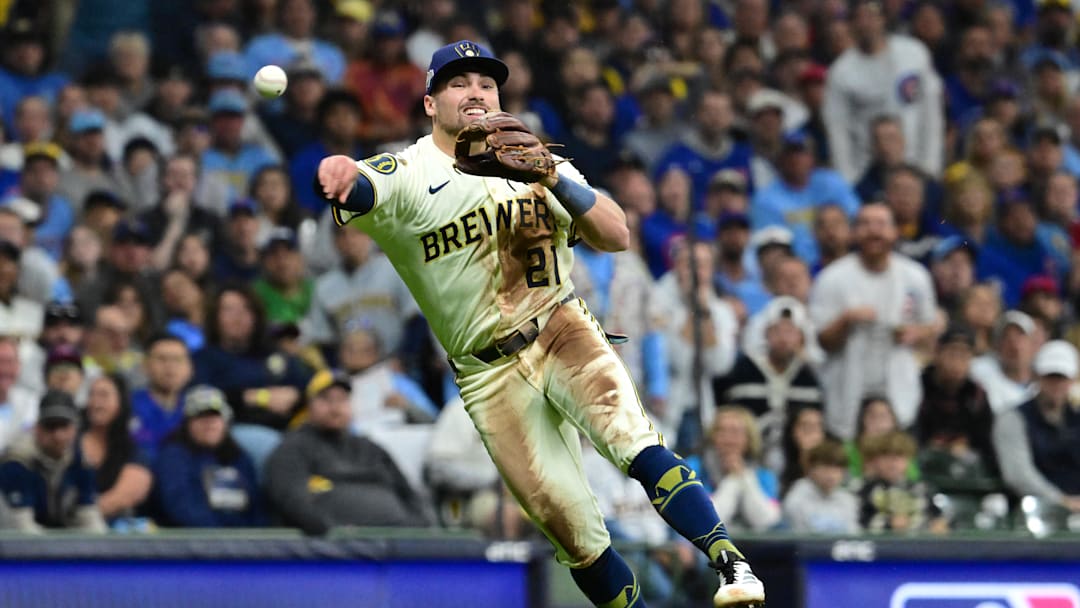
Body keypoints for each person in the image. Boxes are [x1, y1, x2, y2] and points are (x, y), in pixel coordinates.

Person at [315, 40, 765, 607]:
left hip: (560, 324)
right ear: (431, 103)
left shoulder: (529, 155)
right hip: (487, 374)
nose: (475, 91)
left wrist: (553, 175)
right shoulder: (409, 171)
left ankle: (733, 565)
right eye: (458, 83)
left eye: (486, 82)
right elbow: (360, 185)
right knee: (576, 535)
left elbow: (616, 233)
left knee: (634, 441)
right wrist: (338, 171)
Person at [810, 203, 938, 439]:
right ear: (854, 232)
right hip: (846, 389)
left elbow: (931, 325)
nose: (873, 231)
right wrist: (847, 319)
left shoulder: (915, 276)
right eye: (865, 224)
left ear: (894, 232)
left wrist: (916, 333)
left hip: (899, 389)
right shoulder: (831, 278)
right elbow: (822, 342)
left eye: (881, 224)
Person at [264, 370, 433, 535]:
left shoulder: (371, 449)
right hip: (336, 552)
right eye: (326, 399)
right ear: (308, 406)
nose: (335, 407)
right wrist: (337, 536)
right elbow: (293, 502)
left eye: (342, 399)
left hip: (398, 547)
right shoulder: (292, 449)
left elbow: (410, 497)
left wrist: (416, 533)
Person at [151, 385, 265, 527]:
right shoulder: (173, 457)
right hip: (192, 543)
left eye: (215, 417)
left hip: (244, 543)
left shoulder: (239, 457)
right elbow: (181, 507)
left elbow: (257, 509)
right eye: (201, 417)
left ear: (226, 422)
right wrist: (224, 539)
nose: (209, 424)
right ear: (187, 424)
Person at [0, 390, 106, 533]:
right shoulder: (18, 461)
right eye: (50, 426)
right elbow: (23, 530)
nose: (58, 435)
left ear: (75, 429)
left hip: (55, 537)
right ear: (37, 428)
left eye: (64, 426)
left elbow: (91, 520)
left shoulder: (81, 463)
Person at [992, 340, 1080, 511]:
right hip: (1034, 512)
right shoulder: (1014, 418)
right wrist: (1062, 501)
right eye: (1050, 377)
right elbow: (1018, 474)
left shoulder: (1076, 417)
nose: (1056, 385)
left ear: (1072, 380)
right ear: (1037, 377)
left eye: (1061, 378)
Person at [79, 374, 152, 521]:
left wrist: (82, 516)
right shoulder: (71, 443)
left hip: (114, 533)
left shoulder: (134, 450)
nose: (96, 403)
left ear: (121, 402)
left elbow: (124, 496)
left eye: (104, 396)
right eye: (92, 395)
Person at [782, 439, 860, 534]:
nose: (832, 475)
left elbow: (852, 537)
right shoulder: (796, 497)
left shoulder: (848, 500)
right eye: (826, 467)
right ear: (811, 469)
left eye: (837, 469)